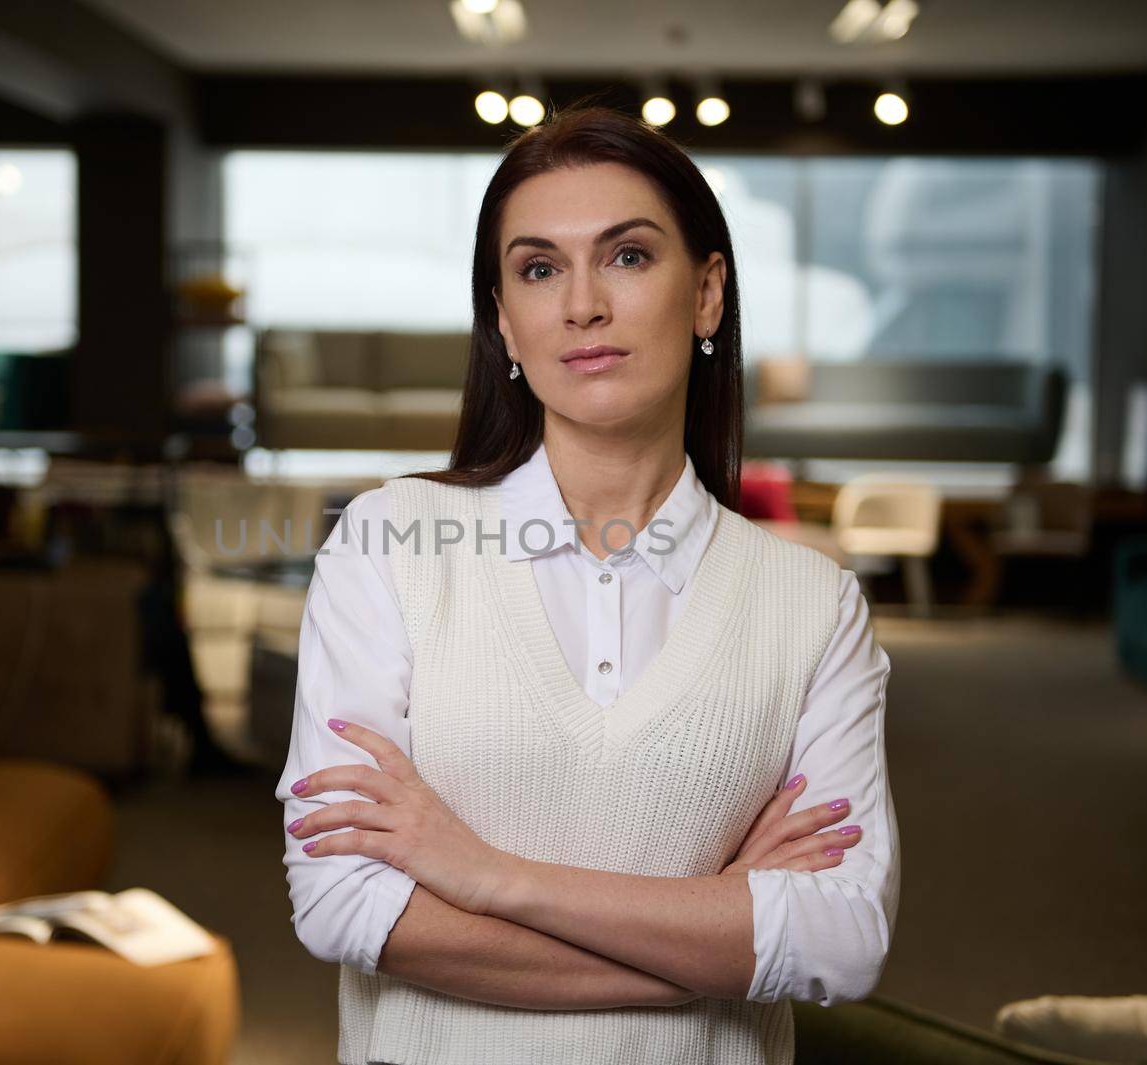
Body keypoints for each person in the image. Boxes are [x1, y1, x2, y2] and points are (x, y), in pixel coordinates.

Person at [275, 103, 900, 1065]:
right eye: (537, 269)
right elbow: (342, 904)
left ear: (707, 294)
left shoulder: (814, 607)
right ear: (504, 323)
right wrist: (721, 934)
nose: (581, 306)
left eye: (628, 256)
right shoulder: (389, 542)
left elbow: (843, 941)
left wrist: (483, 875)